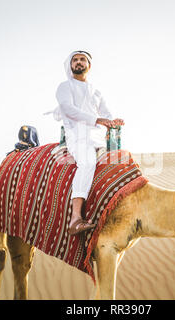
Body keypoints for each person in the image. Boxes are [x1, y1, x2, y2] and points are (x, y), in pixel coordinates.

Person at [53, 50, 125, 235]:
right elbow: (68, 109)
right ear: (70, 65)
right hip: (77, 135)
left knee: (119, 164)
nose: (78, 62)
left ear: (89, 65)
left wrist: (112, 122)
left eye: (82, 59)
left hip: (97, 136)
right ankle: (75, 218)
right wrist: (98, 120)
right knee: (87, 163)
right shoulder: (64, 87)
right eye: (75, 60)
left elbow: (106, 114)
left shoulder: (96, 91)